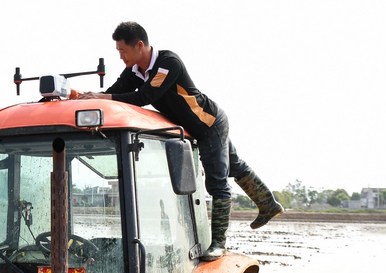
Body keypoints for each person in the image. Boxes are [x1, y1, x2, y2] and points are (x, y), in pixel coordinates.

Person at [75, 21, 283, 260]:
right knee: (235, 167)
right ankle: (268, 204)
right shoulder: (134, 71)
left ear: (139, 45)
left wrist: (104, 96)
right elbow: (114, 96)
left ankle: (218, 243)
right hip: (198, 126)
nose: (120, 56)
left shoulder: (167, 63)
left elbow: (145, 97)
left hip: (208, 124)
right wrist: (87, 99)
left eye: (123, 51)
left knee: (217, 181)